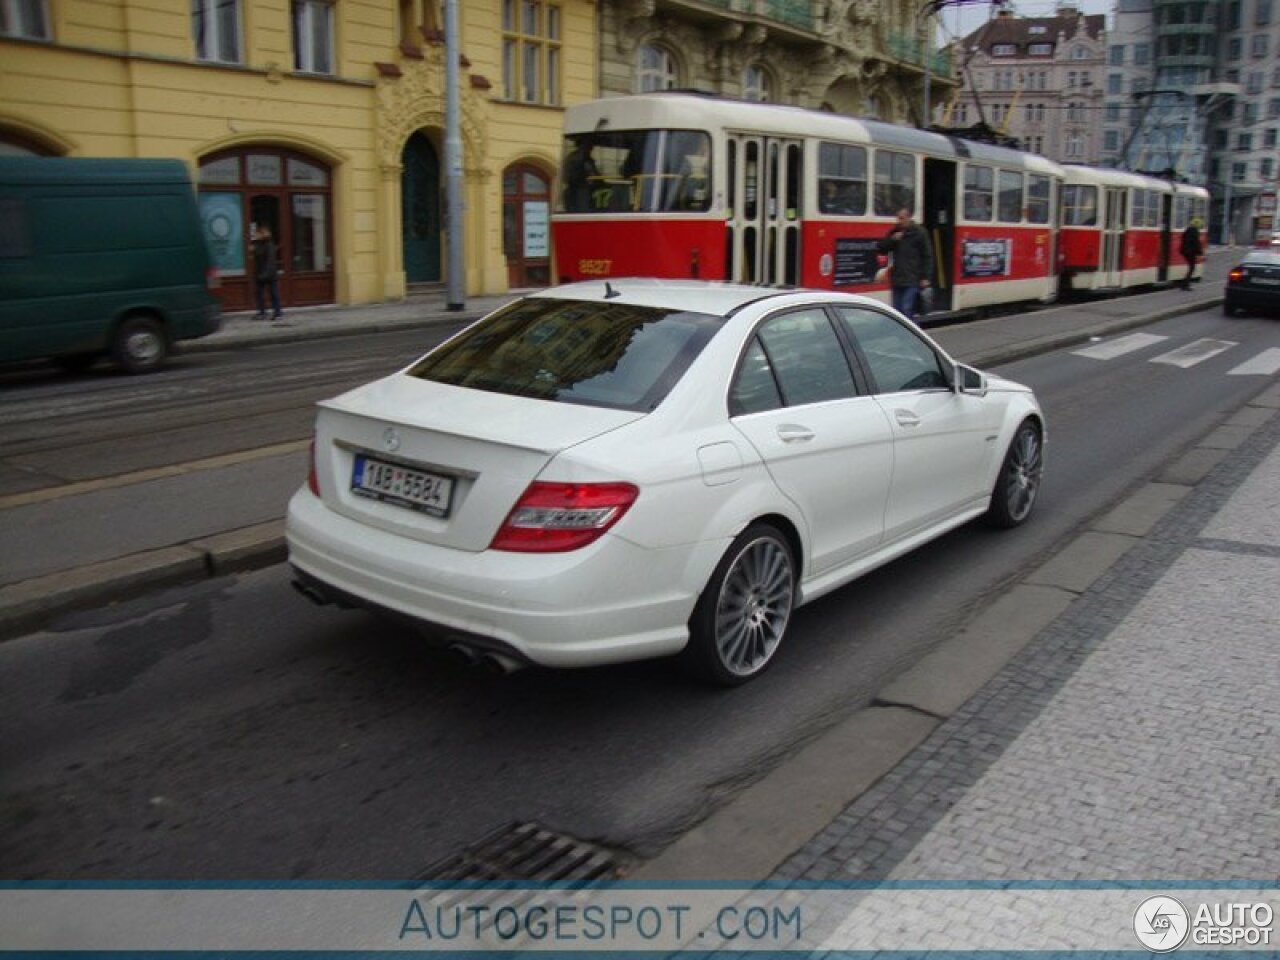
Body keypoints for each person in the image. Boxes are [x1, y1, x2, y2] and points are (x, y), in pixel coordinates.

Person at [878, 208, 933, 319]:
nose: (899, 221)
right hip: (897, 278)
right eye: (898, 218)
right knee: (897, 310)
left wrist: (925, 277)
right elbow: (882, 248)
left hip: (913, 277)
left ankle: (909, 333)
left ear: (908, 218)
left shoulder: (920, 233)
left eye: (902, 218)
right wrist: (892, 240)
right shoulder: (894, 232)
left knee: (906, 308)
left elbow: (927, 255)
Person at [251, 224, 282, 321]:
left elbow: (270, 261)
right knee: (259, 294)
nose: (256, 235)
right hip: (260, 273)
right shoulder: (258, 244)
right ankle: (262, 313)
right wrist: (253, 251)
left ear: (263, 234)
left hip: (269, 274)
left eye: (258, 233)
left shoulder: (269, 244)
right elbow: (258, 257)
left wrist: (265, 274)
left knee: (274, 294)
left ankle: (277, 313)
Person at [562, 141, 599, 212]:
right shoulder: (583, 159)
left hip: (572, 190)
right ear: (582, 146)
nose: (590, 150)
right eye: (589, 147)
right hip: (581, 191)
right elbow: (593, 173)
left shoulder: (571, 157)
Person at [1179, 217, 1203, 290]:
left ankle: (1184, 284)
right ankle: (1185, 285)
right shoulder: (1195, 231)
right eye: (1200, 225)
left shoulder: (1188, 230)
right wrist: (1200, 253)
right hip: (1190, 252)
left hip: (1184, 251)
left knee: (1191, 267)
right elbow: (1196, 243)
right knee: (1192, 268)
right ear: (1198, 225)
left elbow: (1184, 239)